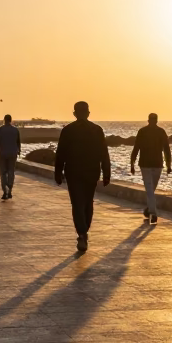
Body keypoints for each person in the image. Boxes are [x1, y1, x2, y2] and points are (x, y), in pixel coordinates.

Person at [54, 101, 110, 252]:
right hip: (92, 172)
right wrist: (106, 173)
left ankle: (82, 233)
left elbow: (60, 154)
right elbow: (104, 153)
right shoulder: (97, 130)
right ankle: (84, 230)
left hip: (73, 172)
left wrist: (58, 173)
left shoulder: (68, 130)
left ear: (74, 113)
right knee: (88, 202)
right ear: (88, 113)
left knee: (77, 204)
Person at [130, 113, 172, 224]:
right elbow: (167, 150)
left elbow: (136, 149)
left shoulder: (145, 131)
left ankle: (149, 210)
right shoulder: (152, 132)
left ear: (149, 120)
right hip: (150, 165)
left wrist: (132, 164)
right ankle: (153, 213)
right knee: (150, 190)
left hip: (152, 164)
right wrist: (168, 165)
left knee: (151, 190)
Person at [0, 114, 21, 200]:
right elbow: (18, 143)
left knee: (3, 173)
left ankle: (5, 190)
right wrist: (19, 151)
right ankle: (10, 190)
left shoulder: (0, 130)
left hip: (3, 154)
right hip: (13, 154)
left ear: (4, 120)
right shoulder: (15, 130)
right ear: (11, 120)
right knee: (11, 172)